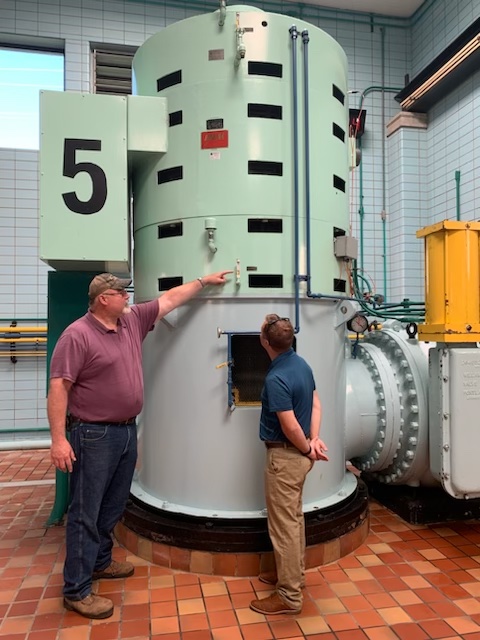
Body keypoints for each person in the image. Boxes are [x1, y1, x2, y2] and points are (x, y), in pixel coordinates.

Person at [47, 270, 231, 619]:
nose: (127, 297)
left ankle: (100, 562)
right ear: (104, 299)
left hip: (126, 431)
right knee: (85, 512)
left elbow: (170, 300)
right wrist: (58, 440)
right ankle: (76, 589)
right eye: (121, 292)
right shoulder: (78, 335)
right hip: (93, 434)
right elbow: (59, 389)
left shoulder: (130, 322)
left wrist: (203, 281)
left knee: (113, 505)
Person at [250, 314, 329, 616]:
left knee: (284, 527)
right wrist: (315, 438)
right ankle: (292, 574)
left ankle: (289, 596)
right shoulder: (302, 365)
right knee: (293, 520)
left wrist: (307, 446)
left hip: (285, 458)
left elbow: (289, 425)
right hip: (299, 456)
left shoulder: (275, 378)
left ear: (265, 342)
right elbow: (316, 403)